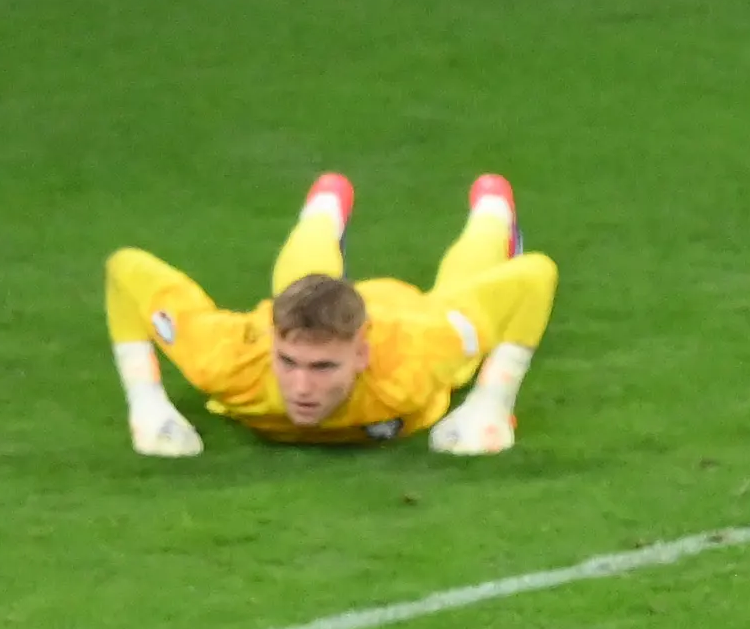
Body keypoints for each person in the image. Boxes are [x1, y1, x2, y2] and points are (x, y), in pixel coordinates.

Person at [104, 171, 556, 459]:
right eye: (289, 362)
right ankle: (324, 207)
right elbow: (125, 270)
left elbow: (536, 276)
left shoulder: (416, 356)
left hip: (404, 311)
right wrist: (147, 404)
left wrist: (491, 403)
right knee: (299, 285)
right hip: (310, 315)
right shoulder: (225, 358)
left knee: (458, 296)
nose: (302, 387)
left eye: (323, 367)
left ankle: (493, 211)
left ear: (361, 354)